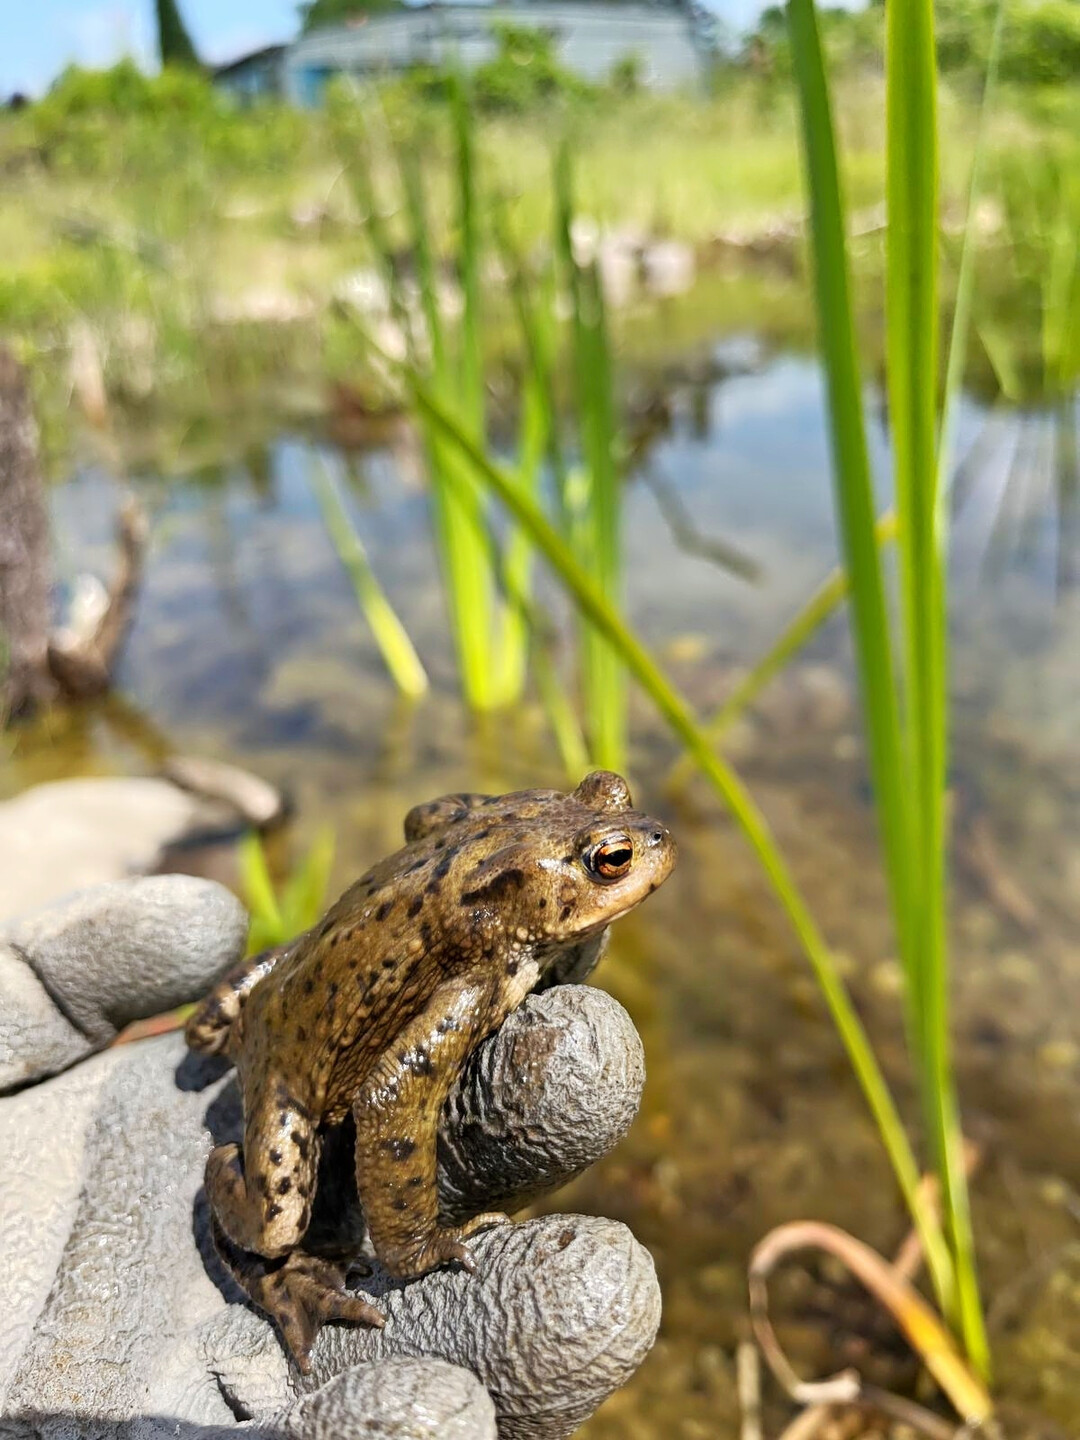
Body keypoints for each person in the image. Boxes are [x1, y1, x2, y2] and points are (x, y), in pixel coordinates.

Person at [0, 874, 659, 1439]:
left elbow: (427, 818)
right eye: (610, 863)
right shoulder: (482, 965)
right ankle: (253, 1247)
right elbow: (391, 1093)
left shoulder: (488, 889)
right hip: (291, 1078)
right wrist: (412, 1241)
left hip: (297, 969)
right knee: (275, 1225)